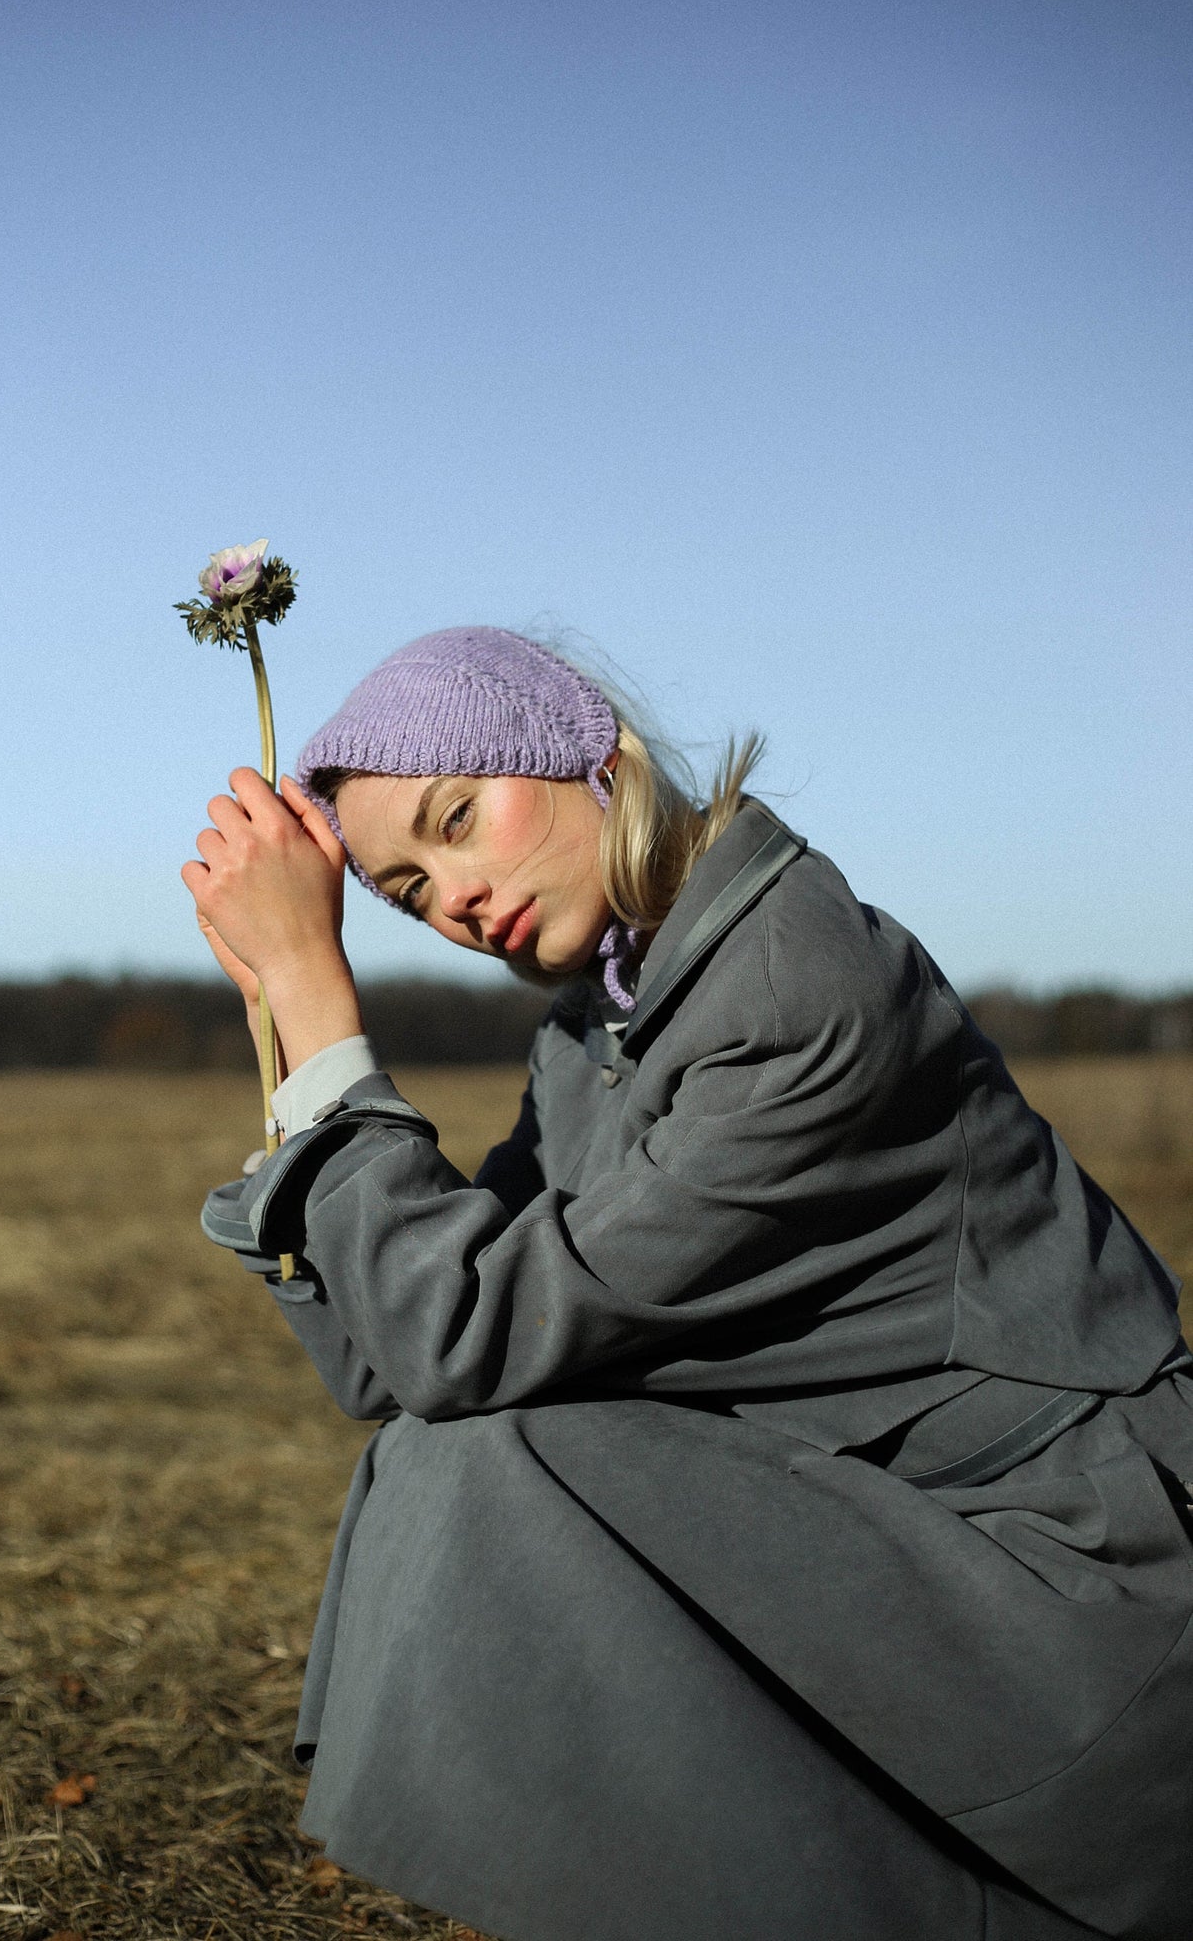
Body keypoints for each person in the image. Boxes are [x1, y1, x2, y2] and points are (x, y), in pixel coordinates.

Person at [181, 626, 1193, 1941]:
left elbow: (460, 1339)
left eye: (458, 821)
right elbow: (389, 1356)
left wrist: (323, 1011)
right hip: (908, 1555)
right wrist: (286, 1024)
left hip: (1076, 1600)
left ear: (587, 753)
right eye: (405, 892)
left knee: (494, 1462)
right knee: (453, 1453)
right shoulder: (602, 1031)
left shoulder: (793, 983)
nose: (456, 903)